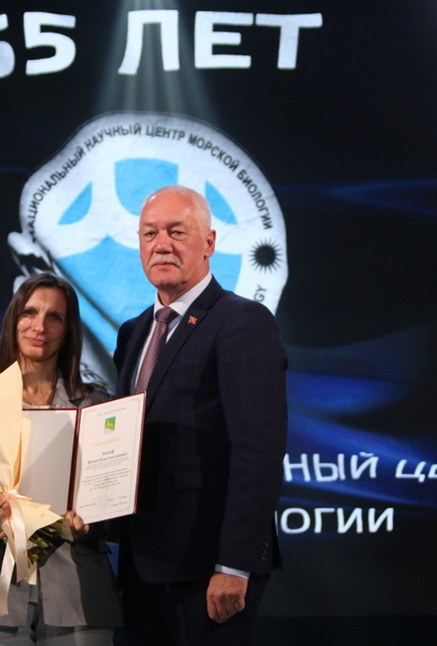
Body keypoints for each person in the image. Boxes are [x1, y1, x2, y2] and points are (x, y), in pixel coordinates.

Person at [113, 186, 288, 645]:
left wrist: (235, 564)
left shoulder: (241, 321)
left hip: (208, 571)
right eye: (150, 234)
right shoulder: (133, 333)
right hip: (142, 569)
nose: (161, 245)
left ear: (209, 242)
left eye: (177, 232)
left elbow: (258, 452)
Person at [0, 273, 122, 645]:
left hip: (76, 595)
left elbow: (111, 505)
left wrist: (92, 524)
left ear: (68, 331)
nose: (40, 326)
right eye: (30, 312)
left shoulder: (96, 405)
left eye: (54, 317)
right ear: (14, 319)